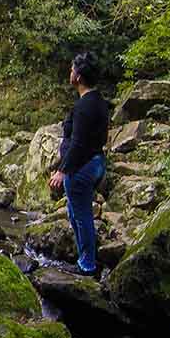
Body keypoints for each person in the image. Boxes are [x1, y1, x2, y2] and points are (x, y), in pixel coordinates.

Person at [48, 52, 110, 277]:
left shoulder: (85, 106)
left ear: (79, 76)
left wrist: (62, 171)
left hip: (81, 169)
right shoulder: (98, 102)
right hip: (94, 163)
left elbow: (79, 143)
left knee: (81, 217)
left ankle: (87, 265)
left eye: (72, 69)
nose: (69, 72)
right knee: (76, 214)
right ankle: (85, 258)